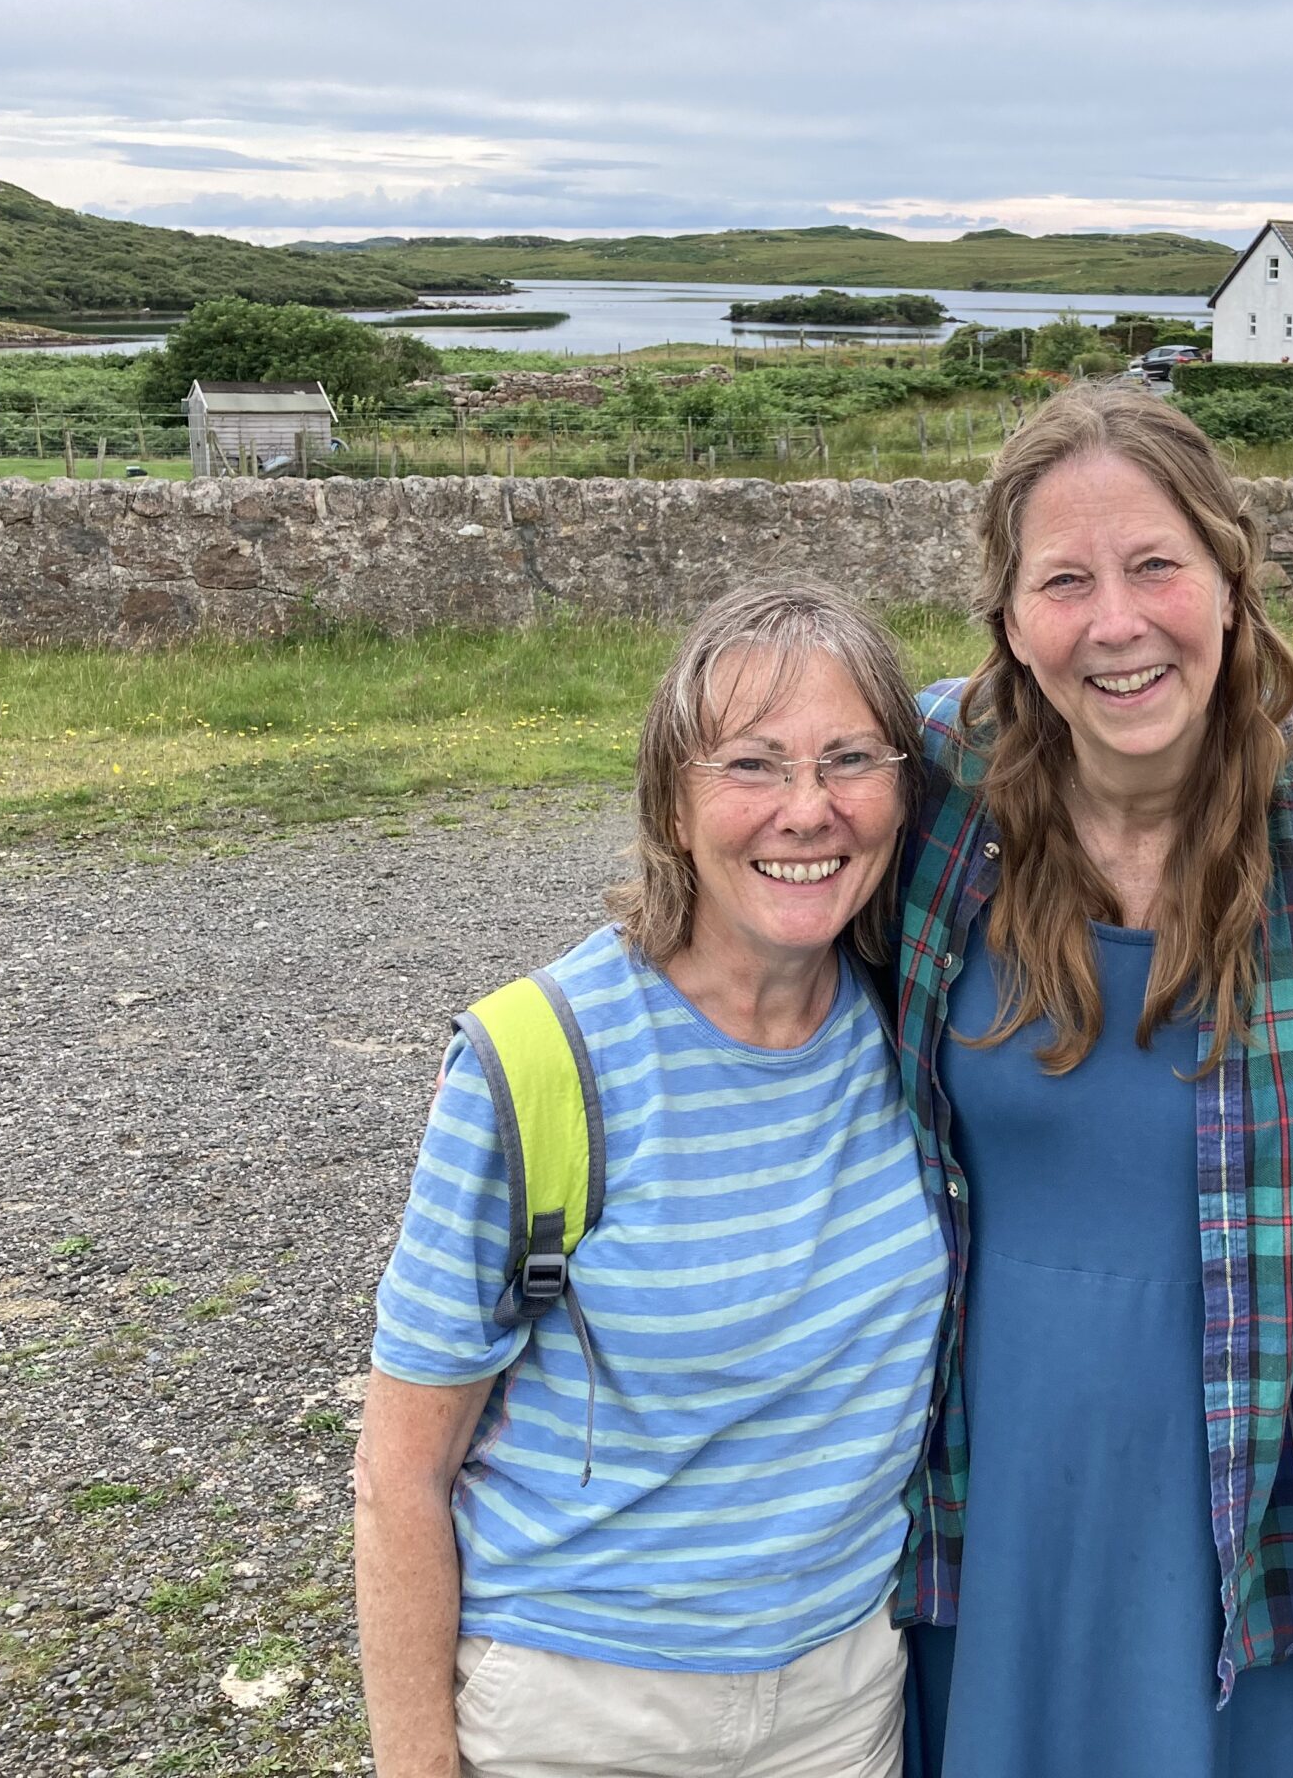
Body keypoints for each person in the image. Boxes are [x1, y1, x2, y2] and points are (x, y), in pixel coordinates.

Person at [354, 579, 948, 1778]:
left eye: (849, 759)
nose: (808, 810)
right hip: (581, 1710)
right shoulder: (537, 1060)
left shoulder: (918, 1029)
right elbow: (399, 1475)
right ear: (671, 804)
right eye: (750, 765)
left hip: (842, 1696)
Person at [888, 385, 1293, 1777]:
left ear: (1231, 576)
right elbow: (734, 859)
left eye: (1155, 565)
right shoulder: (933, 783)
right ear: (1010, 619)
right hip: (988, 1489)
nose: (1117, 624)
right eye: (1065, 581)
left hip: (1243, 1495)